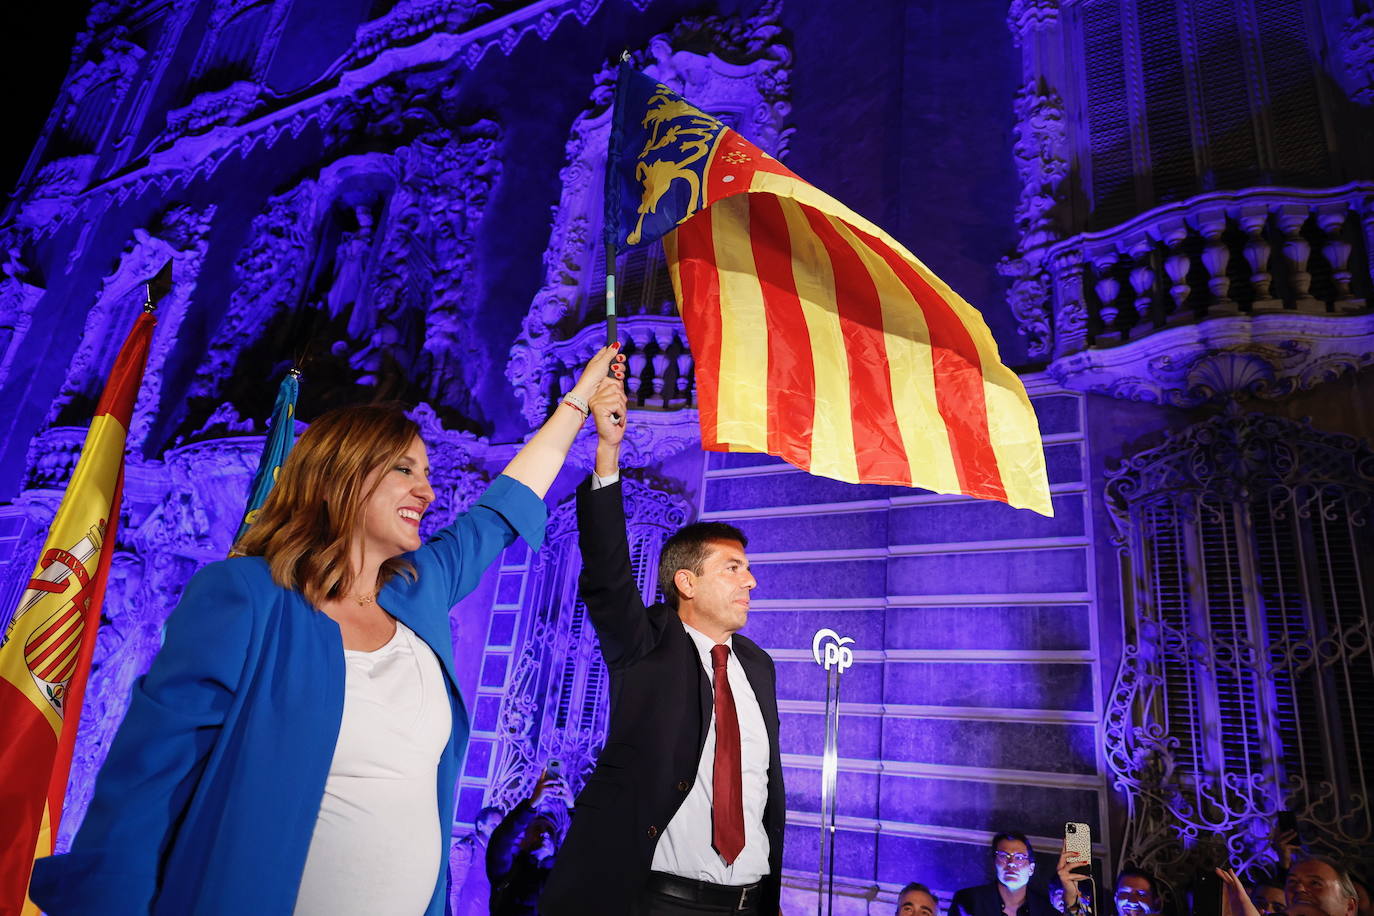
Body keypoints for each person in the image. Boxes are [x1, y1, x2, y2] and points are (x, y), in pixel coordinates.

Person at [28, 346, 625, 915]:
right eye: (404, 469)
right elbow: (146, 788)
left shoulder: (419, 588)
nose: (428, 489)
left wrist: (578, 398)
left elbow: (502, 507)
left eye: (427, 470)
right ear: (343, 477)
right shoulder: (247, 596)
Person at [540, 379, 785, 915]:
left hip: (748, 901)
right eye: (733, 568)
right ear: (687, 583)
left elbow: (764, 790)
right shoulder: (648, 641)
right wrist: (607, 452)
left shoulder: (758, 667)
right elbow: (608, 573)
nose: (751, 582)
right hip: (658, 900)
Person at [487, 771, 574, 916]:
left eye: (549, 830)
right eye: (537, 828)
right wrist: (532, 803)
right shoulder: (508, 871)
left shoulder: (560, 877)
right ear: (523, 839)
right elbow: (501, 839)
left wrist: (571, 805)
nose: (544, 833)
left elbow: (588, 848)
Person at [949, 832, 1058, 916]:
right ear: (994, 863)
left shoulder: (1045, 909)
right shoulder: (970, 900)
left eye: (1019, 858)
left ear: (1031, 869)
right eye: (1003, 856)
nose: (1011, 864)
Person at [451, 806, 503, 916]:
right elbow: (453, 890)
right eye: (493, 825)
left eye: (500, 826)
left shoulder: (494, 851)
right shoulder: (465, 849)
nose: (498, 830)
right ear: (480, 825)